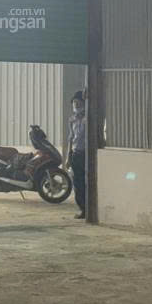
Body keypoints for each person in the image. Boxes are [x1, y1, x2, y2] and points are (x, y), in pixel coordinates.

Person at [67, 90, 88, 219]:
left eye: (78, 102)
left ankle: (89, 208)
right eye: (74, 102)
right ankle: (82, 209)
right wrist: (68, 157)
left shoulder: (88, 118)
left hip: (87, 154)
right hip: (76, 154)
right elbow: (71, 138)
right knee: (77, 183)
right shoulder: (72, 119)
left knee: (87, 182)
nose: (76, 105)